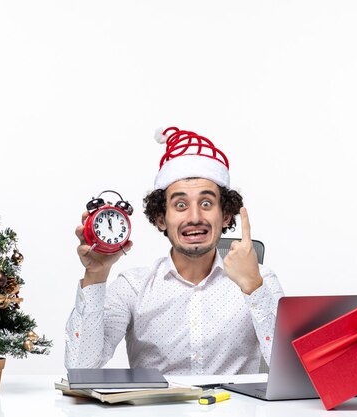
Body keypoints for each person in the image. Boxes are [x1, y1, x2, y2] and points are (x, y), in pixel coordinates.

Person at [64, 126, 284, 375]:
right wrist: (96, 274)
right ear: (161, 219)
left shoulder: (262, 280)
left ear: (225, 216)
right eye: (180, 205)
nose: (194, 217)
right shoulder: (133, 287)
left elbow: (290, 373)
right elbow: (81, 371)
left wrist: (253, 287)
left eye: (206, 203)